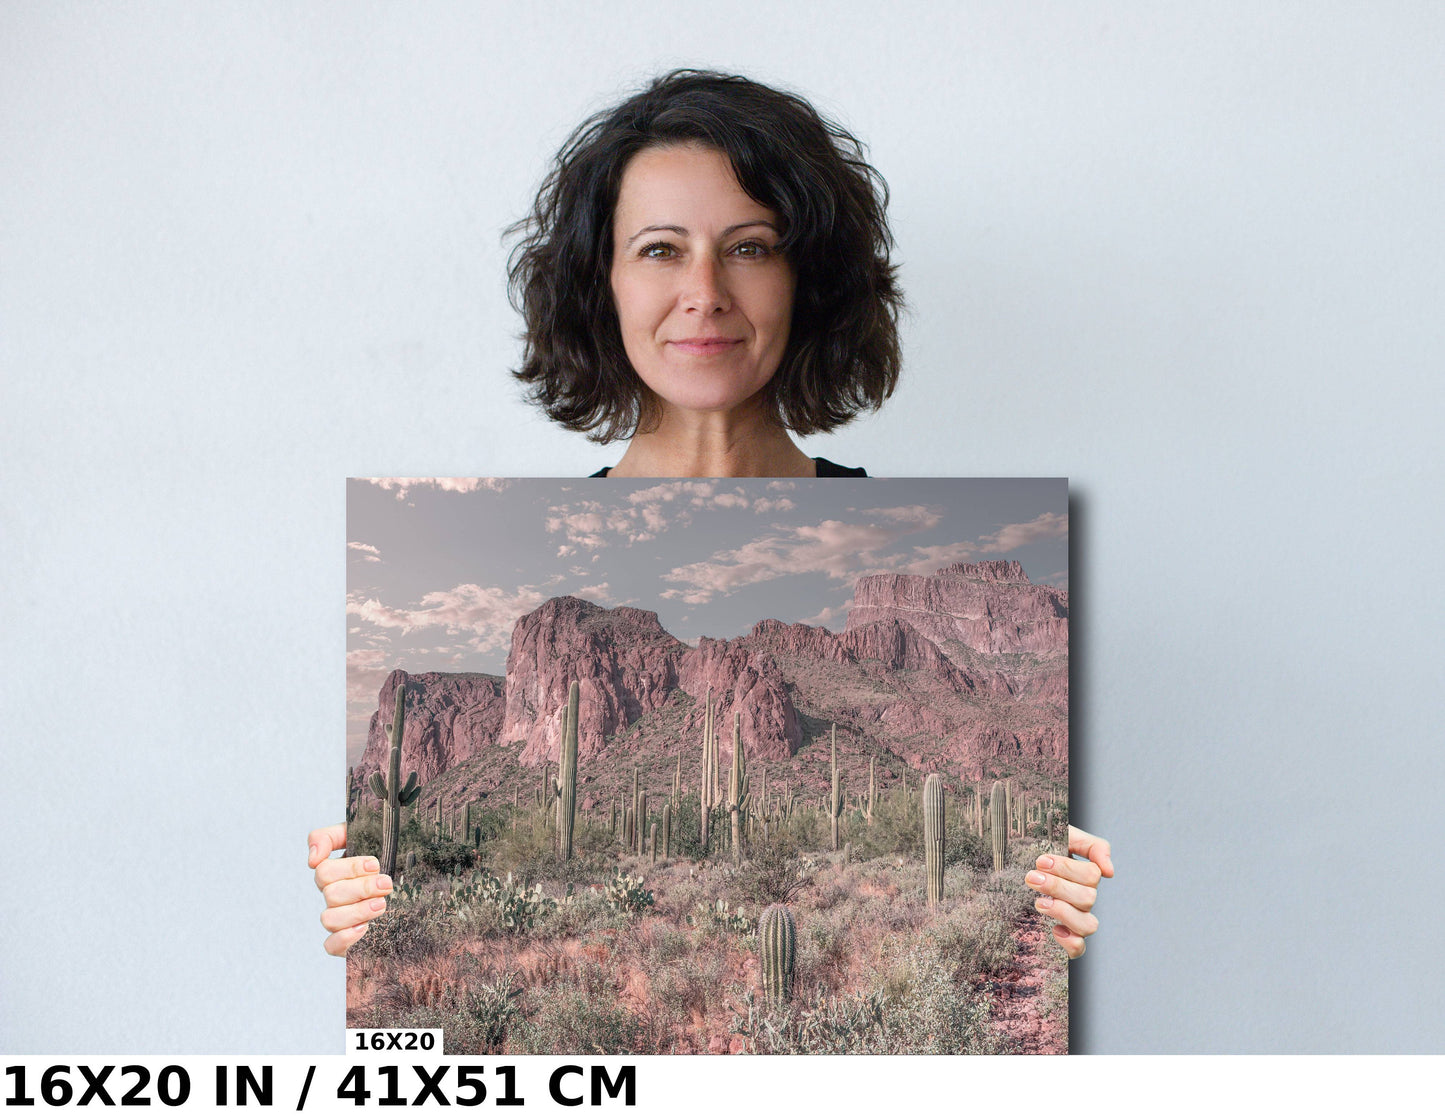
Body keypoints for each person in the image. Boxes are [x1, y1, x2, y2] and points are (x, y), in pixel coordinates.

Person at [312, 69, 1112, 959]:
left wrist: (1060, 919)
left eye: (750, 246)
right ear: (601, 282)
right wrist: (367, 924)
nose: (705, 291)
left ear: (807, 281)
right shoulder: (536, 547)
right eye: (659, 249)